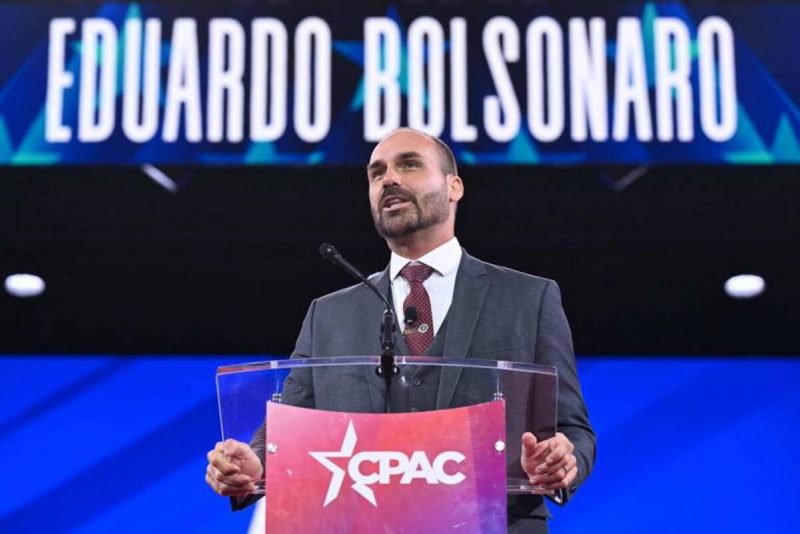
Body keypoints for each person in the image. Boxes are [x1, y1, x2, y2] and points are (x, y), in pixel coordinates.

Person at [206, 128, 595, 532]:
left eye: (409, 164)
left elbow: (572, 430)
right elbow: (289, 422)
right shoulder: (329, 314)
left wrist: (562, 461)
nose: (389, 178)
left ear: (454, 186)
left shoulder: (528, 299)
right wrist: (256, 464)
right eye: (376, 173)